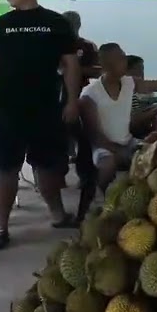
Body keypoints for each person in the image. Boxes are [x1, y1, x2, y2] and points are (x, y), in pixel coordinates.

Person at [0, 0, 81, 251]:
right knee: (6, 168)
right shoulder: (0, 25)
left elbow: (72, 65)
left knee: (47, 166)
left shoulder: (56, 22)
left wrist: (72, 100)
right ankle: (1, 227)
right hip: (7, 109)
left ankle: (58, 215)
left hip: (46, 108)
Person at [77, 43, 157, 218]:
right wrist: (120, 152)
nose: (124, 61)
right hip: (104, 148)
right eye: (119, 58)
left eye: (123, 56)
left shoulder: (129, 83)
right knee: (107, 164)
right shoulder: (89, 94)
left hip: (128, 141)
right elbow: (95, 137)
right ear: (106, 64)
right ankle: (104, 201)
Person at [62, 10, 100, 205]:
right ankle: (58, 175)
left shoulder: (87, 46)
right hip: (58, 99)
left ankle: (85, 177)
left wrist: (75, 69)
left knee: (84, 139)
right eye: (66, 22)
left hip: (85, 99)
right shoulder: (53, 45)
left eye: (74, 23)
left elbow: (99, 70)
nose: (70, 26)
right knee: (58, 138)